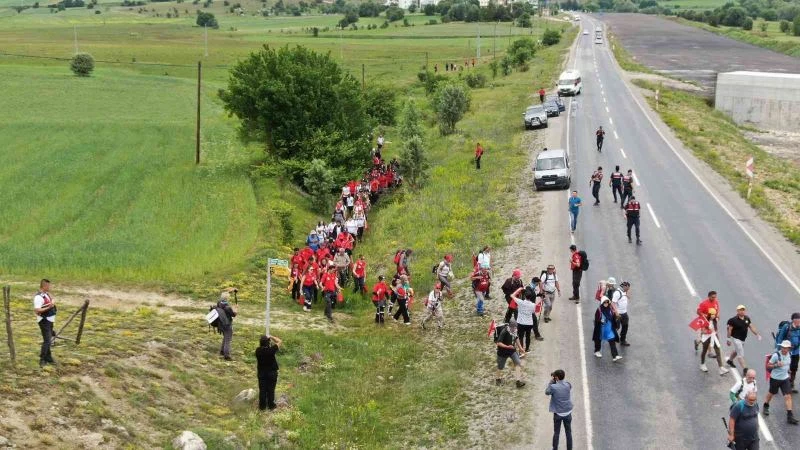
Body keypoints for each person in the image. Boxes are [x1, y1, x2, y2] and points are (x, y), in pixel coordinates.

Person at [763, 340, 799, 424]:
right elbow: (768, 366)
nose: (784, 349)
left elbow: (787, 365)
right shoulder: (776, 355)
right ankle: (766, 405)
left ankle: (790, 416)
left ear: (789, 349)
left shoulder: (789, 355)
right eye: (783, 347)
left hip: (785, 379)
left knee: (788, 396)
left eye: (786, 348)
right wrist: (776, 365)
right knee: (771, 393)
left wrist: (788, 371)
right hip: (775, 378)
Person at [725, 305, 762, 371]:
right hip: (736, 339)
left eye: (743, 310)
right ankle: (745, 369)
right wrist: (728, 339)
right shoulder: (733, 320)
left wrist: (757, 334)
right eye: (740, 310)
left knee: (736, 350)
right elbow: (729, 330)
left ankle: (730, 361)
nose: (742, 311)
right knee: (740, 354)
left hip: (743, 339)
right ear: (737, 311)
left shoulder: (747, 318)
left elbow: (751, 327)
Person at [546, 369, 573, 450]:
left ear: (556, 378)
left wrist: (551, 382)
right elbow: (566, 386)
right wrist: (557, 381)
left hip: (558, 414)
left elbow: (547, 392)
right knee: (568, 433)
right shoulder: (568, 385)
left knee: (556, 432)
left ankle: (555, 448)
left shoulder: (553, 387)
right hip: (568, 413)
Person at [774, 312, 800, 393]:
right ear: (793, 320)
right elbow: (780, 338)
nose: (799, 322)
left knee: (794, 368)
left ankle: (791, 385)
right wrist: (778, 351)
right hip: (785, 351)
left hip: (795, 351)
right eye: (798, 320)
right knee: (782, 368)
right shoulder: (786, 327)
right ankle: (776, 384)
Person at [495, 319, 526, 388]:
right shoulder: (504, 331)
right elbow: (498, 343)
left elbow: (516, 338)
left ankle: (518, 381)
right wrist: (507, 346)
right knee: (500, 367)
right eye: (513, 327)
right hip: (502, 351)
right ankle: (497, 379)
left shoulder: (515, 330)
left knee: (517, 363)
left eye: (515, 327)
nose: (515, 328)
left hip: (512, 350)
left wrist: (520, 348)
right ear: (510, 326)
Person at [33, 279, 57, 367]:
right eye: (48, 286)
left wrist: (52, 302)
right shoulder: (38, 297)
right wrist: (49, 307)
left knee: (49, 339)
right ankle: (42, 359)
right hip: (44, 321)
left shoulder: (46, 294)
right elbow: (37, 310)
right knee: (47, 341)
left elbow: (51, 300)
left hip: (50, 320)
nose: (50, 287)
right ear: (44, 286)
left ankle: (49, 357)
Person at [699, 308, 730, 375]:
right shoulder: (704, 321)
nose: (713, 315)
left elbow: (718, 316)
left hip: (714, 336)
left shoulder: (715, 320)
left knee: (718, 351)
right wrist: (709, 331)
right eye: (712, 314)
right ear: (709, 314)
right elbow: (702, 331)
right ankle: (702, 364)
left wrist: (715, 333)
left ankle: (721, 367)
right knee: (704, 351)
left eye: (714, 314)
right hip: (706, 337)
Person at [256, 334, 282, 411]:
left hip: (261, 373)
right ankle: (271, 405)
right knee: (271, 389)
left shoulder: (258, 350)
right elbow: (279, 341)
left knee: (262, 389)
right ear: (268, 342)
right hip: (272, 373)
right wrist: (271, 337)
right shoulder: (271, 350)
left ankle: (262, 406)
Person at [592, 296, 622, 361]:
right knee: (598, 340)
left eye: (607, 302)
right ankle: (597, 351)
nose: (606, 304)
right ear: (602, 303)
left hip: (609, 328)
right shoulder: (599, 310)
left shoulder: (610, 309)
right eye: (604, 302)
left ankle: (615, 356)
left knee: (612, 341)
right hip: (601, 329)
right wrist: (600, 321)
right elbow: (596, 319)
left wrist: (616, 322)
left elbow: (613, 317)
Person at [514, 288, 537, 354]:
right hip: (529, 323)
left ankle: (521, 350)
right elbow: (533, 312)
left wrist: (518, 289)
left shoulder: (520, 302)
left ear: (524, 296)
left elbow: (512, 295)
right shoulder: (533, 305)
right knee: (528, 336)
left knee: (521, 336)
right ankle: (527, 349)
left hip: (521, 322)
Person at [217, 291, 238, 360]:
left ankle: (222, 351)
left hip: (221, 324)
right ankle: (226, 355)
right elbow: (234, 315)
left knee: (225, 337)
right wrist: (236, 309)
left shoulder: (219, 303)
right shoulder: (227, 307)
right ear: (227, 298)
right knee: (228, 339)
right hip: (227, 324)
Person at [614, 281, 631, 346]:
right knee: (616, 327)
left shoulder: (624, 292)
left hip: (624, 313)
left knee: (625, 326)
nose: (629, 289)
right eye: (628, 288)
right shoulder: (617, 293)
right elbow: (613, 303)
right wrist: (616, 312)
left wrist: (626, 293)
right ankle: (611, 339)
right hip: (618, 314)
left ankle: (622, 340)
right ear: (625, 286)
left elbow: (629, 297)